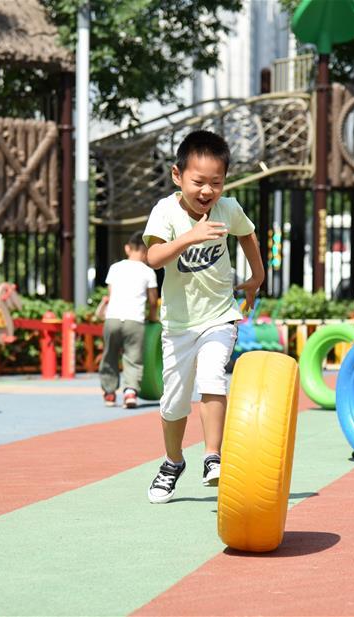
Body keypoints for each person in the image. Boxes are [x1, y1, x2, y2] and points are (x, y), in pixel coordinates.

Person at [142, 129, 265, 503]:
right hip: (178, 325)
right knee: (174, 402)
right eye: (199, 182)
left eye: (217, 182)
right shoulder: (165, 211)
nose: (207, 191)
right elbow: (153, 258)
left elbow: (247, 235)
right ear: (177, 175)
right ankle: (172, 462)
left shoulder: (228, 209)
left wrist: (257, 277)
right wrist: (188, 237)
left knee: (213, 376)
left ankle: (213, 457)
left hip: (218, 316)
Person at [98, 231, 159, 409]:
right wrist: (152, 316)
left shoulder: (115, 268)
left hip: (113, 318)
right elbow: (153, 300)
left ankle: (109, 393)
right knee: (133, 357)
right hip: (135, 320)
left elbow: (110, 294)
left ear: (127, 248)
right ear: (146, 252)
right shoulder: (148, 272)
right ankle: (130, 392)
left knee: (109, 354)